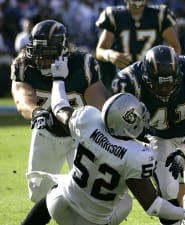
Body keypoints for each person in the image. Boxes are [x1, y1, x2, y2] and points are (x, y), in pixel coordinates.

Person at [20, 68, 185, 225]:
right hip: (90, 220)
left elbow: (59, 107)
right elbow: (153, 206)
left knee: (58, 189)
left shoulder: (88, 120)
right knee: (125, 202)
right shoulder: (136, 155)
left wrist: (58, 78)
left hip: (59, 203)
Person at [10, 19, 110, 203]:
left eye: (47, 54)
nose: (41, 59)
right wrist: (36, 112)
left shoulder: (83, 64)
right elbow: (22, 97)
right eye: (37, 52)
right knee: (38, 194)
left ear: (63, 50)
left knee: (89, 194)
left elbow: (98, 102)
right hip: (47, 132)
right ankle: (63, 193)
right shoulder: (23, 65)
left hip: (81, 134)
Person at [111, 45, 185, 225]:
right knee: (167, 191)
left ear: (179, 76)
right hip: (158, 137)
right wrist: (141, 142)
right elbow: (118, 124)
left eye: (170, 83)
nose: (165, 90)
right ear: (146, 78)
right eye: (159, 84)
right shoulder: (129, 82)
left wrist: (183, 150)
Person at [95, 0, 182, 90]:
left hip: (153, 78)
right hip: (125, 78)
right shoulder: (115, 15)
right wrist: (110, 55)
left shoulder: (159, 14)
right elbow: (100, 50)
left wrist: (165, 65)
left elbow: (175, 47)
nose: (138, 5)